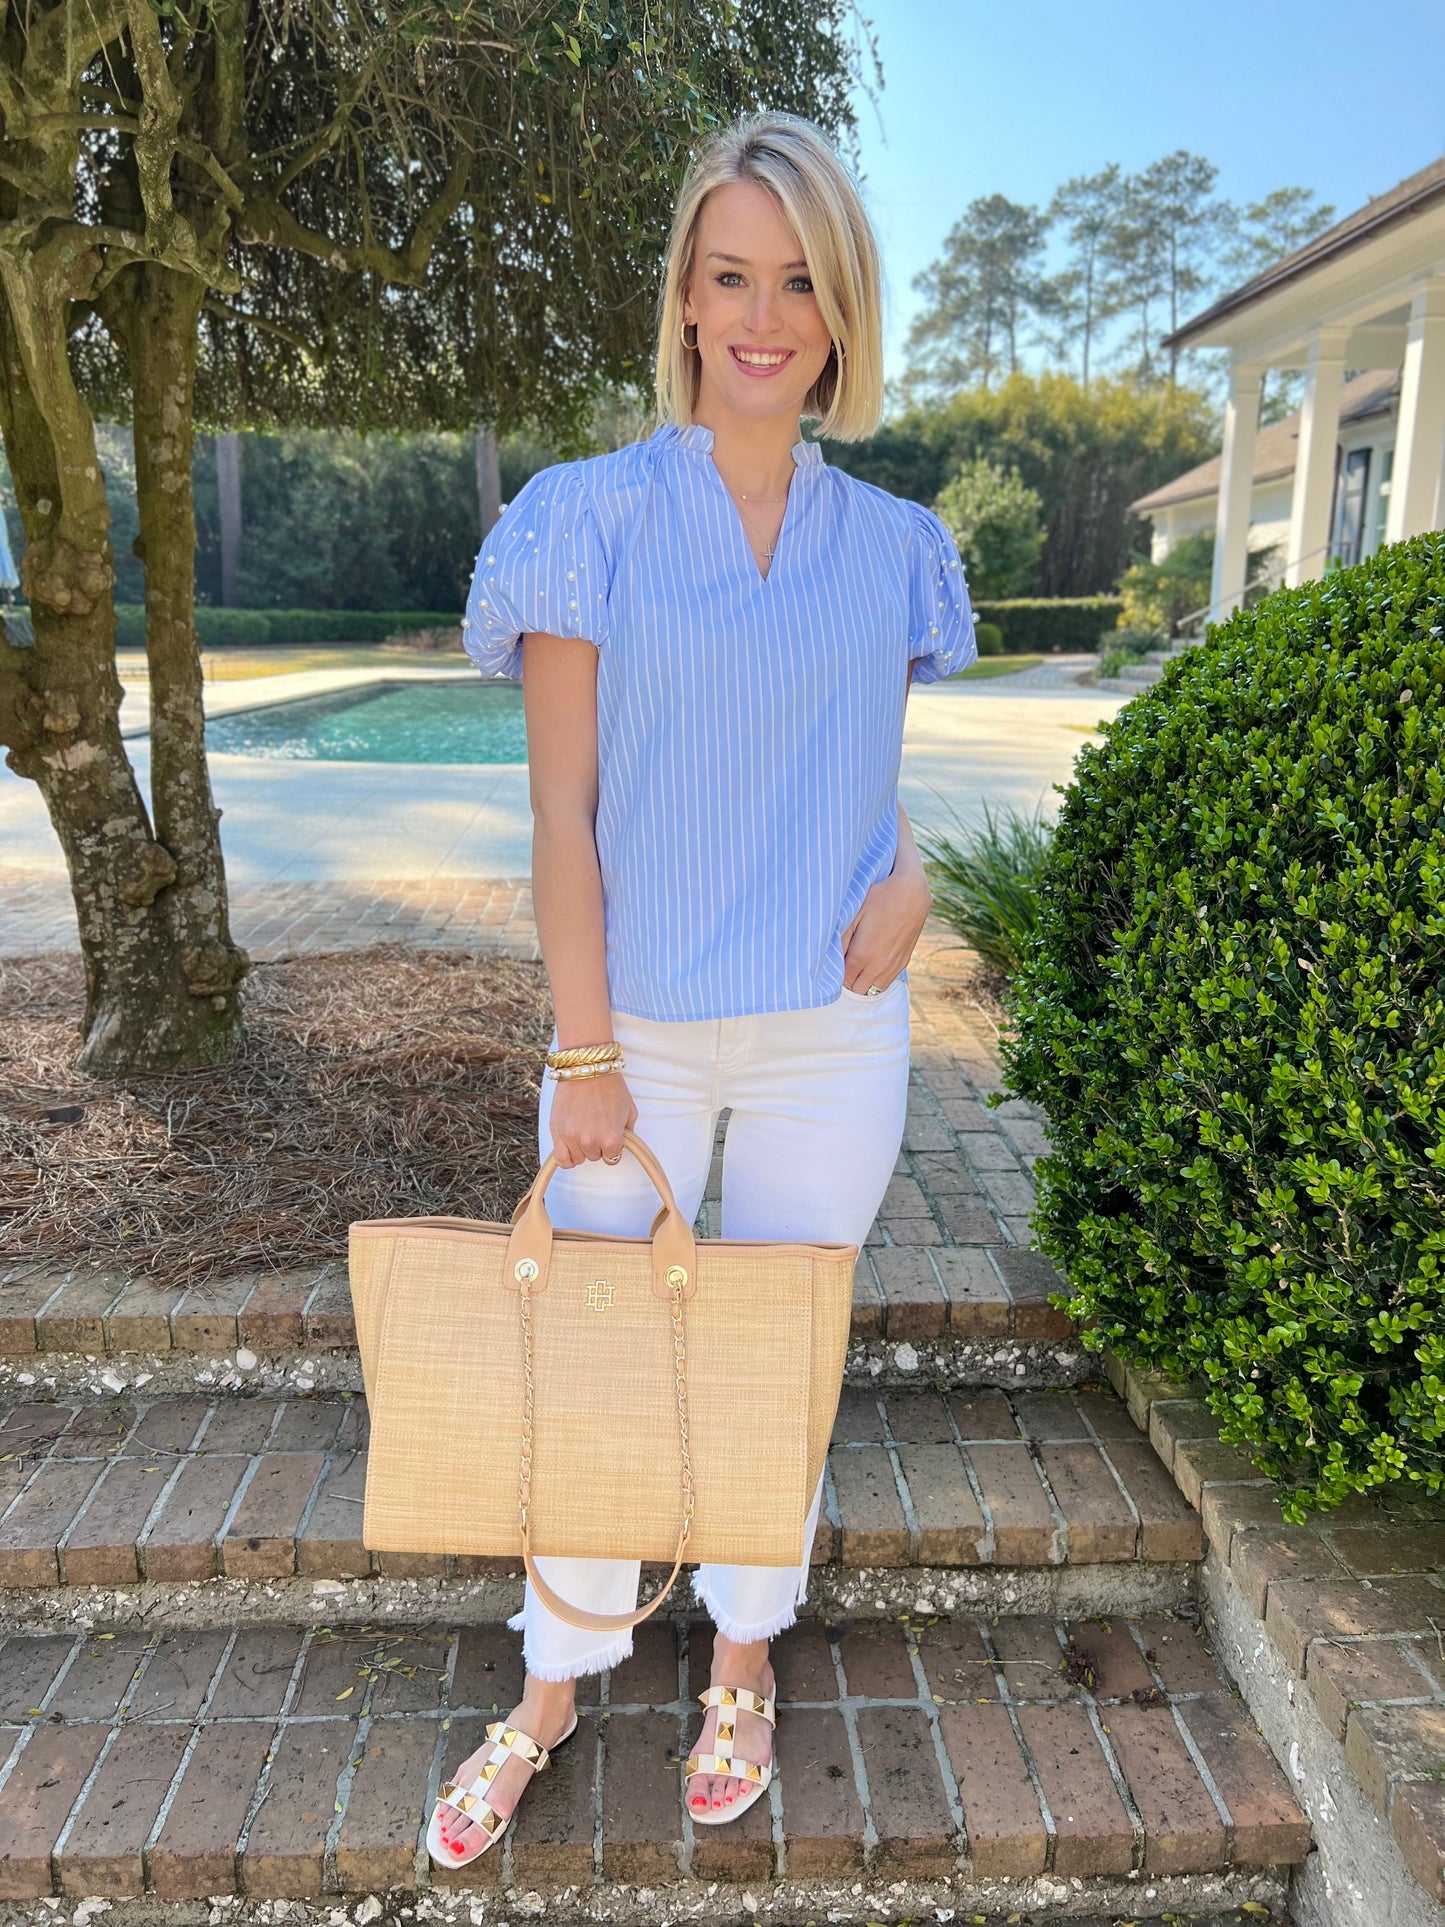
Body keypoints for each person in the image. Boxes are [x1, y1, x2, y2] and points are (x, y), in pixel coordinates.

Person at [428, 109, 975, 1867]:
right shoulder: (582, 519)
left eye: (799, 280)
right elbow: (564, 812)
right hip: (636, 1027)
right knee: (592, 1361)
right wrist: (581, 1048)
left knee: (776, 1365)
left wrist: (918, 877)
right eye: (731, 275)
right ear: (680, 296)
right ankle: (554, 1680)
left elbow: (856, 772)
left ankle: (741, 1652)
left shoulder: (897, 544)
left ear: (841, 309)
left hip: (833, 1036)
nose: (764, 316)